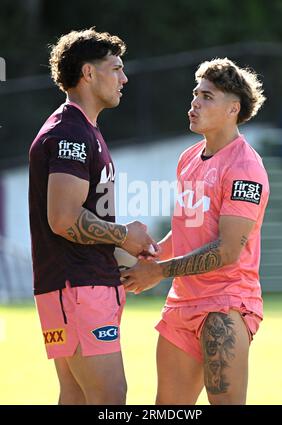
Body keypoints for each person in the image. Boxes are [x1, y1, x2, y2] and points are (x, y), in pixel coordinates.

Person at [121, 58, 269, 405]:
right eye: (195, 94)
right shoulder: (188, 158)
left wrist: (157, 272)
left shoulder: (245, 167)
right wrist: (151, 253)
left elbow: (227, 250)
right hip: (181, 306)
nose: (194, 103)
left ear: (233, 108)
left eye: (207, 96)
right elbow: (188, 233)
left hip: (225, 304)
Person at [29, 28, 157, 405]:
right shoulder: (69, 132)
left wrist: (130, 253)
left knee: (77, 397)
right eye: (116, 68)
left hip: (76, 287)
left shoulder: (83, 129)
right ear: (88, 73)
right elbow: (64, 219)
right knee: (109, 398)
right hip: (78, 288)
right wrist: (124, 236)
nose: (124, 78)